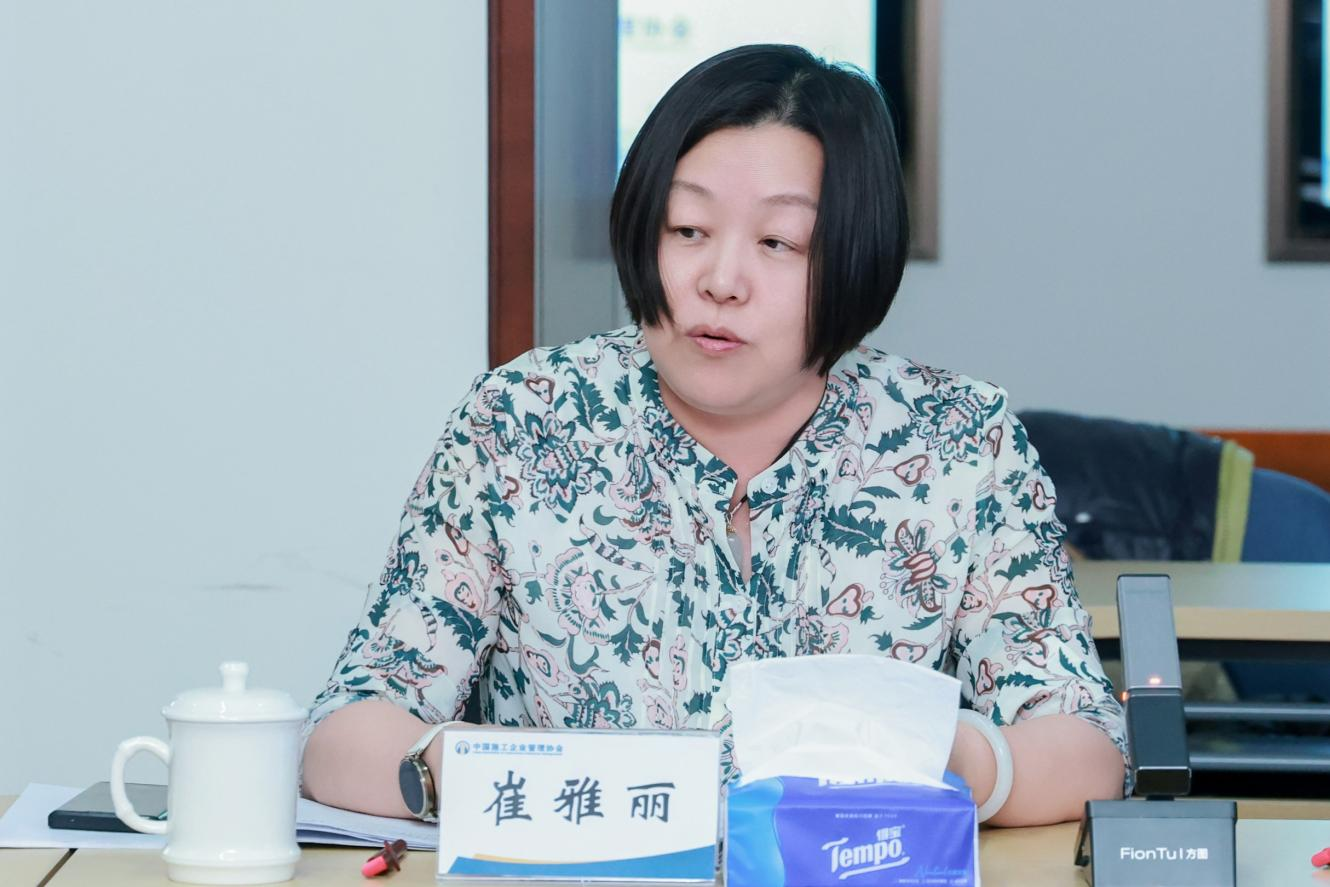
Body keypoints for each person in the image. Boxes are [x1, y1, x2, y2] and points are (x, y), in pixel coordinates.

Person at [302, 44, 1127, 827]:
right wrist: (489, 775)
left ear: (855, 258)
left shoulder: (959, 442)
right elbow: (345, 733)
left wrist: (945, 759)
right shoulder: (522, 419)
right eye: (687, 229)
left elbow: (1088, 745)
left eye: (778, 243)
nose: (720, 281)